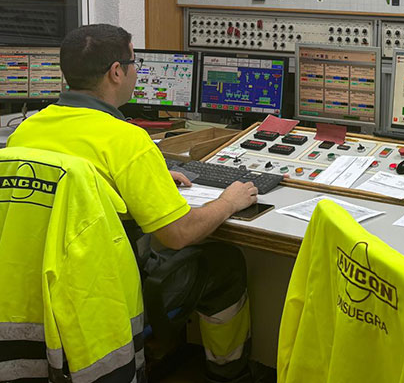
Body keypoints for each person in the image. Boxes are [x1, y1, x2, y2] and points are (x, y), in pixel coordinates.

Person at [9, 24, 257, 382]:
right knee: (226, 262)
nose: (136, 71)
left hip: (37, 286)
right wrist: (228, 202)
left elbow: (76, 192)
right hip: (104, 292)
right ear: (115, 72)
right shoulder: (127, 140)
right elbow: (178, 234)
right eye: (134, 63)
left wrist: (147, 180)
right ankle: (230, 373)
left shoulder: (27, 130)